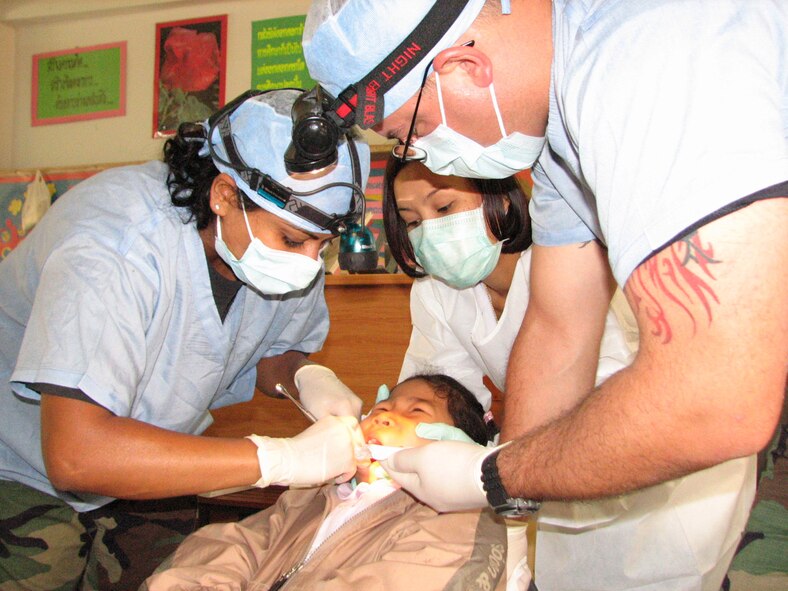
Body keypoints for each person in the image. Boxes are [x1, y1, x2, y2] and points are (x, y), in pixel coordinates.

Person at [302, 1, 786, 589]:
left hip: (672, 479)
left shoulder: (650, 48)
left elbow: (719, 397)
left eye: (417, 134)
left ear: (463, 66)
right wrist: (507, 494)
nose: (428, 161)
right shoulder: (560, 142)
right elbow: (559, 330)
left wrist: (496, 474)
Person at [0, 89, 370, 590]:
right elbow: (75, 455)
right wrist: (280, 459)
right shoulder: (117, 246)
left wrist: (305, 377)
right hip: (22, 467)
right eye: (292, 240)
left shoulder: (281, 242)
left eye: (321, 246)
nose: (307, 262)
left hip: (149, 460)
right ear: (224, 194)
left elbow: (263, 347)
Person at [384, 158, 756, 590]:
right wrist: (397, 426)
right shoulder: (436, 294)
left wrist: (490, 465)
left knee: (661, 572)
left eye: (444, 208)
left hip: (663, 466)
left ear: (501, 201)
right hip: (555, 463)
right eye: (412, 221)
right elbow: (439, 393)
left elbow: (610, 414)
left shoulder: (568, 265)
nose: (429, 231)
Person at [141, 374, 522, 591]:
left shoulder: (461, 524)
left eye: (416, 411)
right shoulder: (314, 499)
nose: (385, 416)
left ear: (457, 445)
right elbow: (232, 547)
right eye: (382, 408)